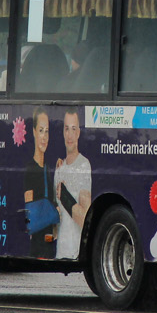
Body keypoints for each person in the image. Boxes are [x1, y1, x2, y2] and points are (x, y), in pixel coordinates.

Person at [54, 109, 92, 259]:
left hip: (75, 253)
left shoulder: (84, 165)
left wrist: (65, 197)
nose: (69, 135)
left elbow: (86, 219)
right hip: (59, 253)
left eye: (73, 129)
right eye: (66, 129)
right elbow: (58, 224)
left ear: (78, 133)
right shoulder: (59, 168)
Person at [22, 107, 55, 258]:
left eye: (47, 131)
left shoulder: (48, 168)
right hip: (36, 240)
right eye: (41, 130)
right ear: (34, 132)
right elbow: (28, 205)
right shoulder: (30, 169)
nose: (44, 137)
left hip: (49, 238)